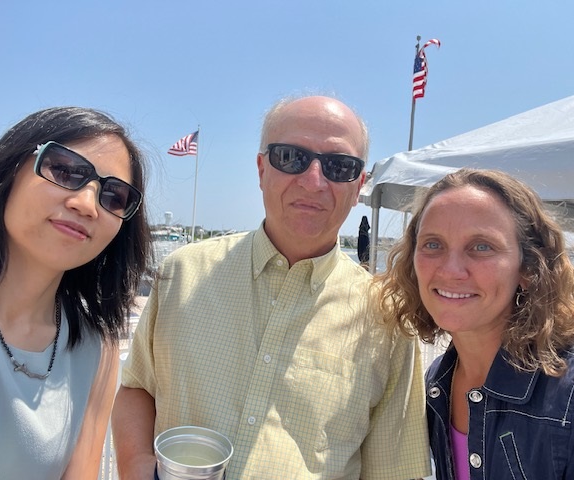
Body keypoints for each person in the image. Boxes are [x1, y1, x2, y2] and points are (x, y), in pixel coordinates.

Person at [111, 95, 432, 480]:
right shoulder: (182, 274)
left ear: (359, 184)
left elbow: (392, 470)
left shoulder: (387, 316)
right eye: (291, 157)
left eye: (339, 166)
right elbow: (136, 389)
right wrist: (136, 467)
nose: (314, 181)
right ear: (262, 169)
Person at [376, 168, 574, 479]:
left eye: (481, 246)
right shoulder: (436, 383)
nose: (451, 270)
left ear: (529, 267)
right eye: (433, 244)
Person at [0, 106, 152, 479]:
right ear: (10, 167)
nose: (86, 204)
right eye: (65, 170)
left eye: (114, 196)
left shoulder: (96, 349)